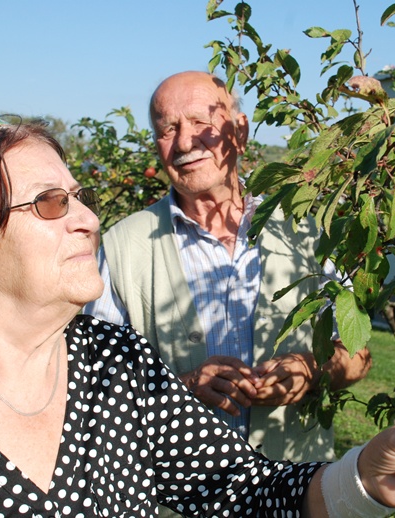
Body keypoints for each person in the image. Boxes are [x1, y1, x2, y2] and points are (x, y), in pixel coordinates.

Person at [0, 104, 395, 516]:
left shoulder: (116, 368)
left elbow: (247, 492)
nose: (89, 219)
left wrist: (366, 476)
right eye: (51, 204)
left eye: (80, 197)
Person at [86, 71, 371, 466]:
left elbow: (357, 353)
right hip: (179, 499)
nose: (185, 141)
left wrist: (313, 369)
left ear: (240, 131)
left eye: (202, 122)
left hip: (298, 488)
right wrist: (183, 385)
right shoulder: (121, 246)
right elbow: (94, 383)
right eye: (168, 129)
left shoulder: (305, 228)